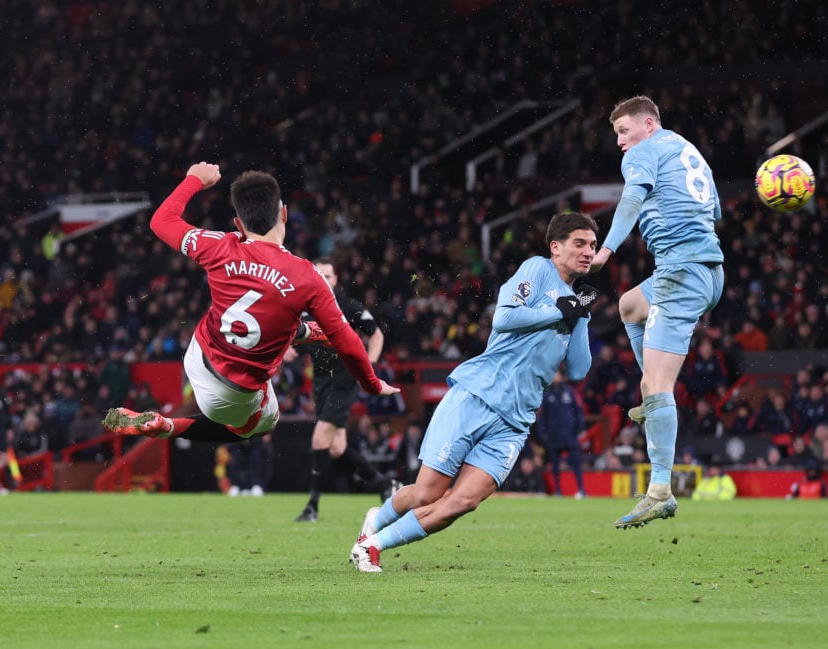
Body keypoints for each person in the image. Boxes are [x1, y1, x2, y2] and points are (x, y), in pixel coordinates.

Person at [349, 210, 598, 573]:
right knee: (426, 493)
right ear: (556, 247)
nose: (588, 251)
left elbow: (577, 370)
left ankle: (373, 545)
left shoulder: (575, 303)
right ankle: (377, 518)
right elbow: (504, 318)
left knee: (465, 500)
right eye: (579, 243)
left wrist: (581, 315)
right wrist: (560, 308)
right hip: (478, 396)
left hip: (517, 420)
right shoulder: (537, 270)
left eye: (592, 245)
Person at [102, 163, 398, 445]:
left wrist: (193, 179)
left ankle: (302, 331)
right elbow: (347, 340)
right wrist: (372, 383)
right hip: (234, 395)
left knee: (264, 313)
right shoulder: (307, 276)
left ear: (238, 223)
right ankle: (168, 426)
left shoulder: (218, 245)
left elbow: (161, 221)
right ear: (284, 214)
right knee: (264, 422)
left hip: (197, 357)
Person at [589, 95, 725, 528]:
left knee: (656, 382)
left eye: (624, 132)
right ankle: (654, 400)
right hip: (706, 269)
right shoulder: (688, 149)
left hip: (681, 274)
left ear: (648, 124)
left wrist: (607, 248)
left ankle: (660, 491)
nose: (620, 143)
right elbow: (714, 210)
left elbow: (630, 202)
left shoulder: (645, 153)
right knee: (629, 305)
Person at [294, 258, 400, 523]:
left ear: (336, 279)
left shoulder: (346, 306)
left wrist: (370, 367)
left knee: (320, 440)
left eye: (328, 276)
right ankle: (384, 483)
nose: (324, 280)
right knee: (336, 447)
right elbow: (293, 341)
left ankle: (312, 507)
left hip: (345, 378)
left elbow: (375, 335)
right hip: (321, 382)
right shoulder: (303, 307)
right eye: (319, 275)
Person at [534, 370, 588, 498]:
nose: (554, 377)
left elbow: (579, 411)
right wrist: (543, 434)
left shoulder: (570, 392)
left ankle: (581, 489)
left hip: (570, 435)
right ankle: (558, 491)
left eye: (556, 374)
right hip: (554, 436)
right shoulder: (547, 394)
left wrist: (579, 429)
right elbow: (542, 417)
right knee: (555, 465)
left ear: (562, 376)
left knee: (575, 463)